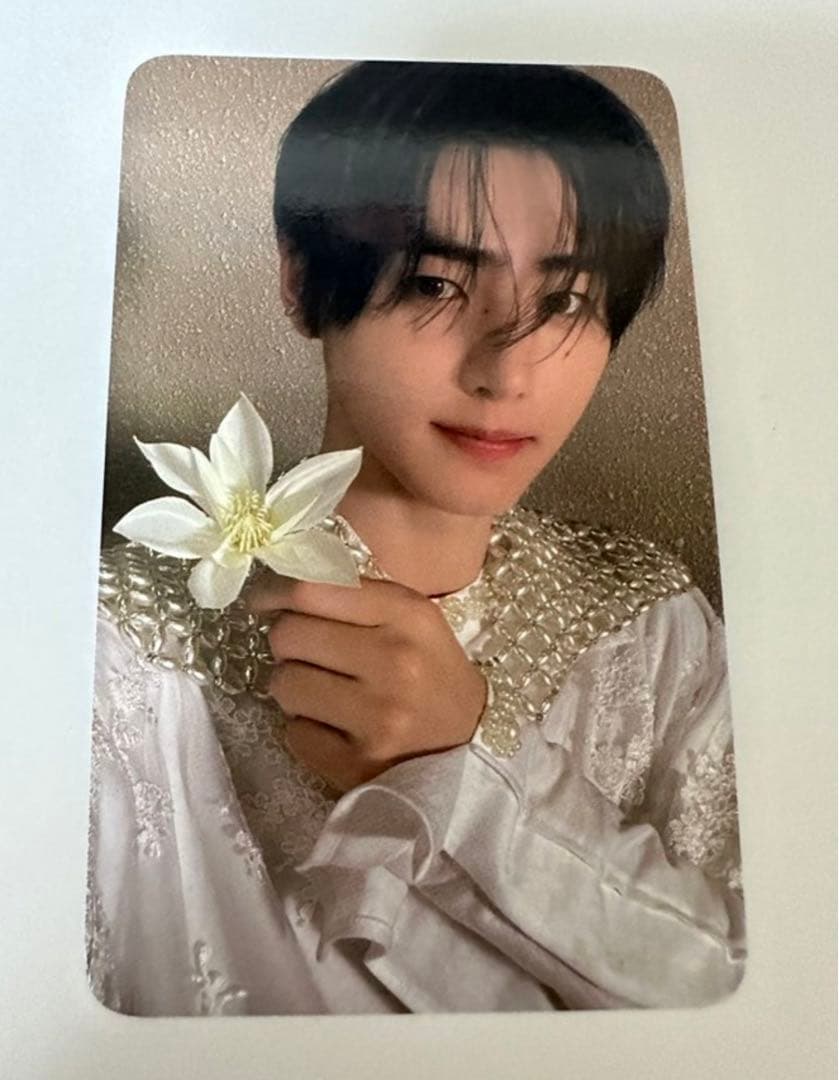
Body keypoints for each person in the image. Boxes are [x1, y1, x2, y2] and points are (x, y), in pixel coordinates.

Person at [87, 60, 745, 1015]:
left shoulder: (651, 631)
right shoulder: (109, 652)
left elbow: (768, 1005)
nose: (505, 374)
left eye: (564, 301)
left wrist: (465, 776)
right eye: (436, 283)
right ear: (301, 279)